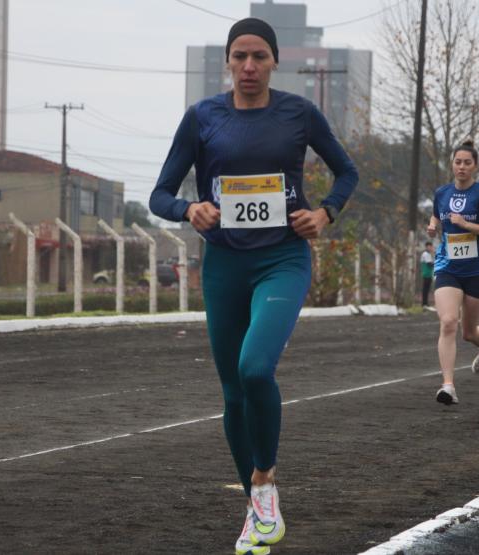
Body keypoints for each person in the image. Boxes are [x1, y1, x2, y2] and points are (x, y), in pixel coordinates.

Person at [149, 17, 358, 555]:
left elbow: (346, 173)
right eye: (239, 56)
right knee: (232, 394)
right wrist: (187, 208)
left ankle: (264, 478)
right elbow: (160, 194)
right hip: (223, 266)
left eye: (259, 56)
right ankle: (258, 512)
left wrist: (325, 214)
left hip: (282, 260)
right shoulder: (202, 118)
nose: (248, 66)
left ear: (273, 62)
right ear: (227, 61)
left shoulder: (298, 113)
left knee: (255, 368)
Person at [426, 140, 479, 405]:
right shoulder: (442, 192)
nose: (461, 167)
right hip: (448, 266)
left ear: (475, 166)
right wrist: (432, 224)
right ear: (452, 164)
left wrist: (468, 225)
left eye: (467, 163)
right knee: (448, 321)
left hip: (477, 270)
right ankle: (448, 385)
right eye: (457, 162)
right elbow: (438, 216)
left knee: (468, 332)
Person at [420, 241, 434, 308]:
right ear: (426, 247)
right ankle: (424, 303)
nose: (430, 248)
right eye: (429, 246)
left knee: (427, 289)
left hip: (429, 274)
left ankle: (425, 303)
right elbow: (429, 264)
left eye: (431, 246)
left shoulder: (429, 254)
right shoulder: (425, 254)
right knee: (425, 289)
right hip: (426, 274)